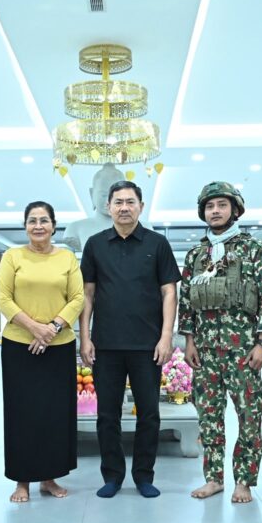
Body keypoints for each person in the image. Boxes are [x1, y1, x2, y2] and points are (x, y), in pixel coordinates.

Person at [178, 182, 262, 504]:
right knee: (208, 416)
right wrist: (189, 341)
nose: (215, 211)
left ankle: (244, 481)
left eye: (222, 205)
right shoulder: (196, 255)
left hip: (243, 349)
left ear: (235, 209)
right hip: (205, 351)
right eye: (210, 206)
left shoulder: (253, 249)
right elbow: (186, 301)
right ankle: (214, 478)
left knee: (250, 415)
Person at [80, 180, 180, 498]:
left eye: (130, 202)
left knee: (148, 414)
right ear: (108, 207)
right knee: (107, 415)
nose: (124, 207)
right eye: (118, 202)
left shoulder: (157, 244)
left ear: (141, 206)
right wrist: (85, 337)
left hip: (147, 346)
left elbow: (169, 292)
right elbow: (87, 294)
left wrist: (166, 336)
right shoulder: (95, 244)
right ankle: (112, 476)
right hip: (106, 345)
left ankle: (143, 476)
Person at [0, 201, 84, 502]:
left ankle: (49, 477)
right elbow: (3, 298)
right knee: (22, 414)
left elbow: (77, 298)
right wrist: (35, 328)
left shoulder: (67, 258)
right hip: (19, 346)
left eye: (44, 220)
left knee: (54, 414)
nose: (38, 226)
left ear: (53, 226)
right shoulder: (13, 256)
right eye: (32, 220)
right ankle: (22, 480)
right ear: (25, 226)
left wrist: (52, 329)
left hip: (58, 347)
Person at [62, 163, 125, 252]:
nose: (109, 201)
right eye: (103, 195)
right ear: (92, 193)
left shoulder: (141, 228)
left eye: (115, 195)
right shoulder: (75, 229)